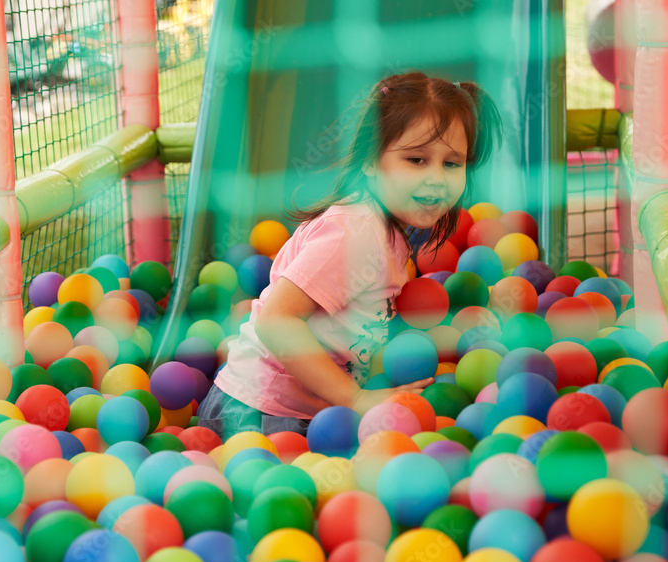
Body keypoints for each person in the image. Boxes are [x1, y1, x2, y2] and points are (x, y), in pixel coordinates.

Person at [197, 71, 503, 441]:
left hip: (313, 409)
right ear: (371, 160)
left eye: (452, 163)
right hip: (260, 411)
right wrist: (356, 398)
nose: (437, 178)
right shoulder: (353, 231)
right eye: (417, 160)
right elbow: (276, 320)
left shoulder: (387, 229)